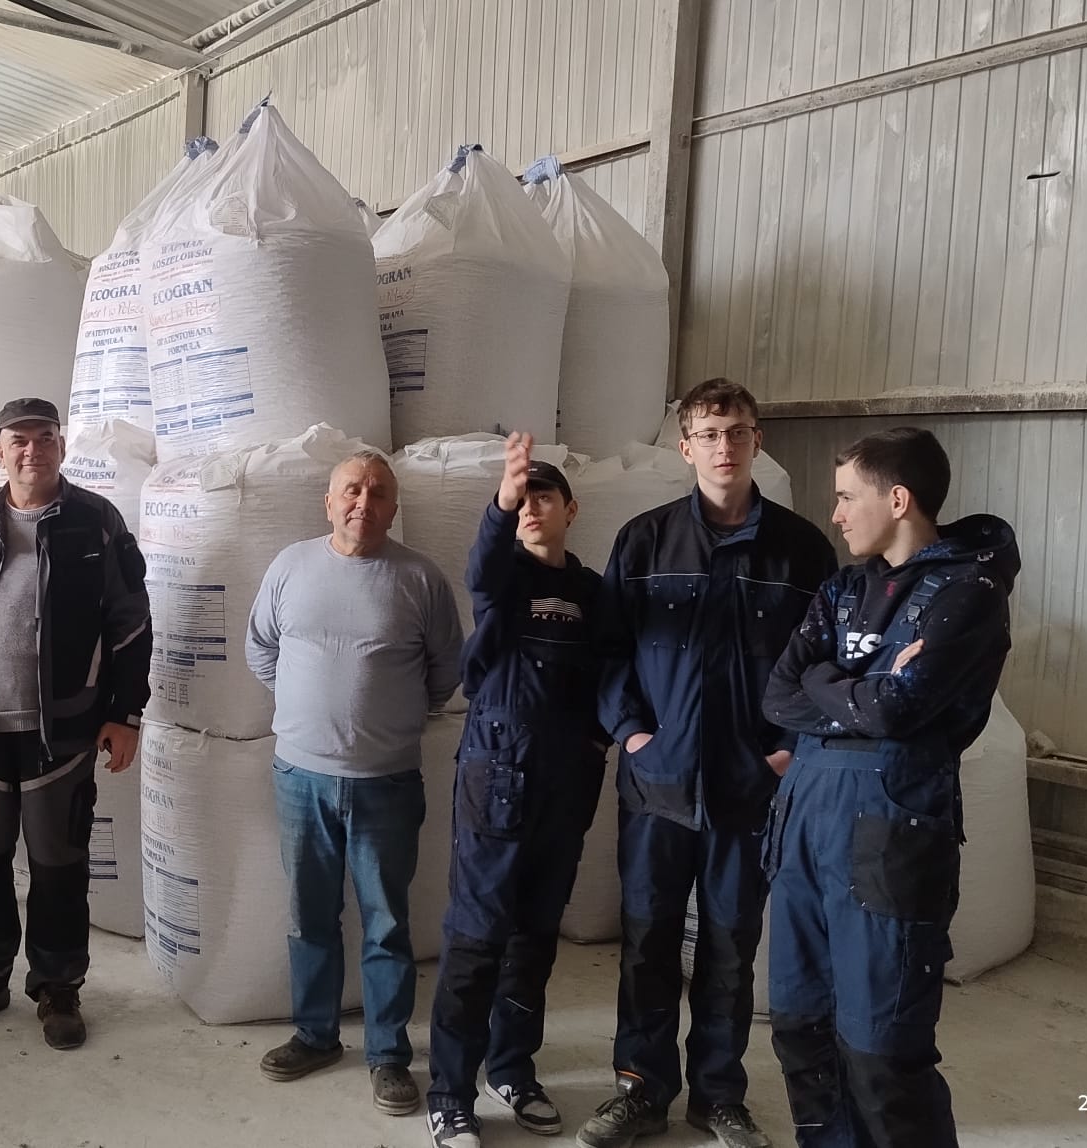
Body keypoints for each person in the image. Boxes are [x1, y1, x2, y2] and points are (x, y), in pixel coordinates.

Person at [578, 379, 836, 1148]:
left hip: (748, 790)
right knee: (648, 942)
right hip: (657, 786)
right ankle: (641, 1089)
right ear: (686, 447)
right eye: (710, 433)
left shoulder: (801, 550)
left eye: (738, 431)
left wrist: (787, 752)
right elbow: (609, 654)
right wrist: (632, 734)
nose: (725, 446)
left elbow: (823, 667)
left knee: (729, 946)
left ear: (757, 441)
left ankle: (719, 1096)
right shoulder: (645, 542)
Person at [760, 428, 1017, 1148]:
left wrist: (828, 681)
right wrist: (862, 690)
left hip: (888, 841)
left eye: (847, 497)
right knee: (802, 1031)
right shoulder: (843, 588)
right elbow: (779, 694)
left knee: (881, 1052)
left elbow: (899, 710)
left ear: (897, 499)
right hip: (807, 827)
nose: (835, 514)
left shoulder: (969, 593)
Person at [0, 398, 150, 1051]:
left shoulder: (96, 521)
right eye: (17, 440)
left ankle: (58, 988)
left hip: (63, 731)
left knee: (58, 865)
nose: (31, 450)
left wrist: (125, 713)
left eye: (44, 438)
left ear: (61, 446)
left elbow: (131, 622)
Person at [245, 448, 463, 1118]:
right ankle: (315, 1036)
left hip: (385, 783)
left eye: (377, 492)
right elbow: (261, 648)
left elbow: (446, 672)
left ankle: (388, 1054)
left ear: (394, 508)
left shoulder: (420, 579)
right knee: (309, 915)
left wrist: (384, 722)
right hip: (299, 778)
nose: (363, 502)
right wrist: (309, 715)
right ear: (328, 500)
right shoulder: (290, 566)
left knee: (386, 923)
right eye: (351, 490)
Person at [425, 437, 607, 1148]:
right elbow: (483, 563)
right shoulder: (503, 578)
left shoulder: (594, 593)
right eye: (522, 499)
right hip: (495, 779)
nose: (532, 508)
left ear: (570, 510)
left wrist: (602, 741)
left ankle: (512, 1069)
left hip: (565, 786)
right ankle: (450, 1092)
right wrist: (500, 503)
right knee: (476, 941)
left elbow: (614, 670)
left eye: (544, 497)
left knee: (534, 939)